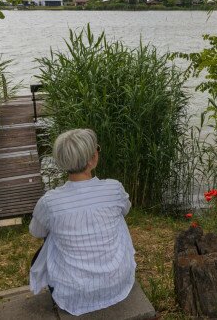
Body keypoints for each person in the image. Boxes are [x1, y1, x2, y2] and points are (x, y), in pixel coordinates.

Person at [29, 128, 136, 316]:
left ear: (61, 160)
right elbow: (126, 209)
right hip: (118, 283)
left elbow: (36, 232)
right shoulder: (114, 188)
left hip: (72, 294)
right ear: (93, 158)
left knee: (52, 230)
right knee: (118, 215)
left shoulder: (50, 202)